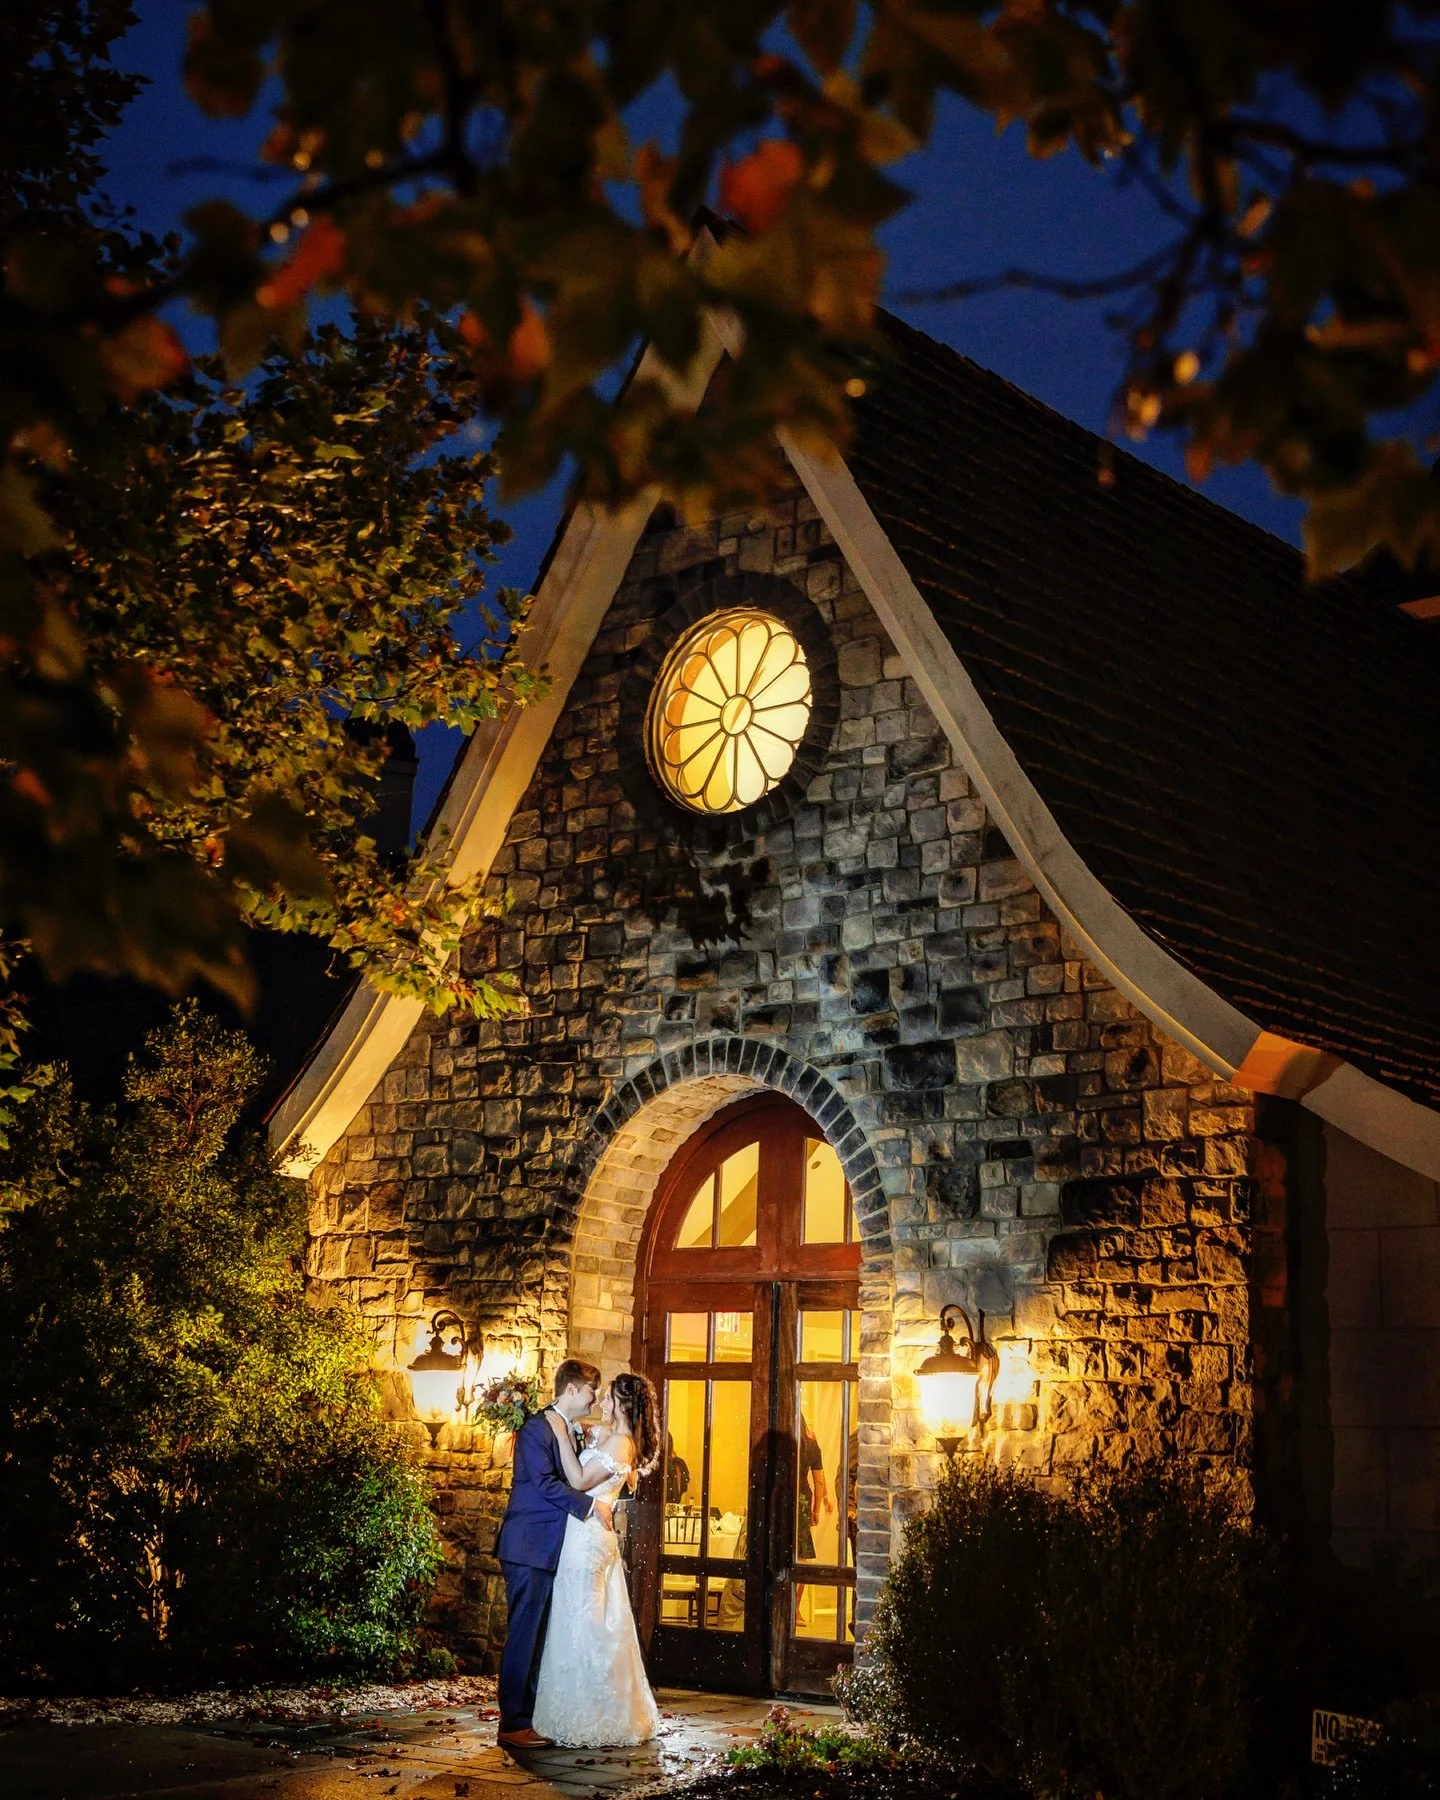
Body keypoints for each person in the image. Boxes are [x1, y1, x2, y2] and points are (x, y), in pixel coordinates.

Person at [531, 1371, 663, 1748]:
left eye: (607, 1399)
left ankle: (594, 1713)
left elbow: (577, 1480)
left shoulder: (622, 1444)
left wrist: (559, 1433)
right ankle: (575, 1706)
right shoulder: (615, 1439)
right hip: (588, 1533)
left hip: (588, 1540)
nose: (600, 1404)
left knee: (585, 1621)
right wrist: (588, 1439)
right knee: (583, 1616)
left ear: (622, 1404)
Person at [495, 1358, 613, 1750]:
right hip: (529, 1546)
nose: (596, 1397)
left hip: (552, 1549)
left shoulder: (571, 1430)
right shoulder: (536, 1428)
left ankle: (531, 1716)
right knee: (524, 1636)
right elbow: (544, 1483)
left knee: (541, 1636)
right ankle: (513, 1723)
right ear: (573, 1389)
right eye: (593, 1389)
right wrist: (590, 1506)